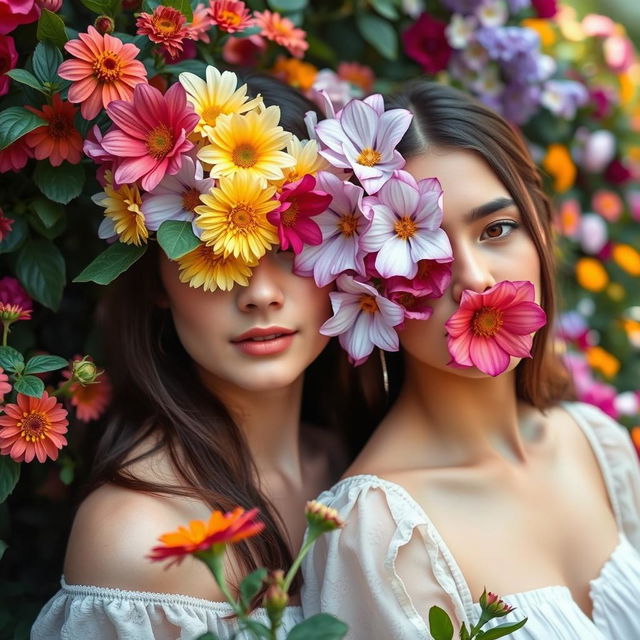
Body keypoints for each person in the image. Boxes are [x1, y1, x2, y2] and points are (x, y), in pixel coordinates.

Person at [31, 74, 373, 639]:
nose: (261, 293)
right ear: (159, 280)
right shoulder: (136, 537)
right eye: (213, 247)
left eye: (289, 245)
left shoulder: (357, 462)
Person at [301, 81, 640, 639]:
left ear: (540, 230)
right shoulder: (377, 534)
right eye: (418, 243)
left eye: (496, 229)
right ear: (363, 280)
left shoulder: (595, 445)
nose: (474, 279)